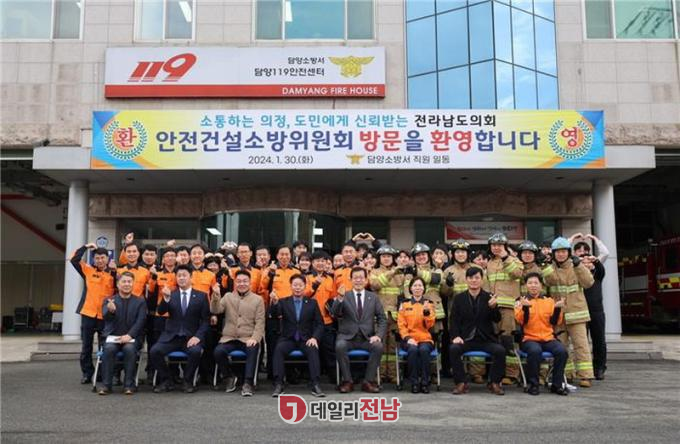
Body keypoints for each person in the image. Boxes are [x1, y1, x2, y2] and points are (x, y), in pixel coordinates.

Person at [543, 237, 595, 387]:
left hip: (576, 313)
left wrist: (579, 266)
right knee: (562, 346)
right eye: (557, 252)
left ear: (568, 252)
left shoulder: (576, 266)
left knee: (581, 345)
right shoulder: (550, 268)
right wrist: (544, 266)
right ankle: (567, 374)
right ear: (553, 253)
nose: (561, 254)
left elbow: (589, 282)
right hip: (558, 315)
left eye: (563, 251)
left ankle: (585, 376)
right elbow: (548, 282)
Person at [150, 265, 210, 393]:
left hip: (191, 337)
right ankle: (167, 380)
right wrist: (165, 299)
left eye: (184, 275)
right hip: (171, 336)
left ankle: (187, 381)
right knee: (155, 351)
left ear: (191, 277)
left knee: (195, 352)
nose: (181, 278)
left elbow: (206, 321)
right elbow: (161, 312)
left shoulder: (201, 296)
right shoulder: (171, 294)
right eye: (179, 276)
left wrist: (198, 337)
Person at [448, 267, 506, 396]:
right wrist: (456, 336)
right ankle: (461, 383)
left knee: (500, 351)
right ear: (466, 280)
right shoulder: (459, 298)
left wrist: (494, 307)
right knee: (454, 349)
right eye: (471, 278)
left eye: (477, 278)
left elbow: (497, 319)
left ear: (482, 280)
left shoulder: (489, 297)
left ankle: (494, 382)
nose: (474, 280)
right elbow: (454, 320)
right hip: (466, 339)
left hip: (485, 339)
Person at [332, 267, 387, 394]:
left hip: (366, 338)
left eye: (361, 278)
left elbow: (382, 319)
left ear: (366, 280)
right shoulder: (344, 295)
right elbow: (334, 313)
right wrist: (339, 298)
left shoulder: (373, 297)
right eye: (355, 278)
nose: (358, 280)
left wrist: (378, 335)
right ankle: (347, 381)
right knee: (340, 346)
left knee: (378, 346)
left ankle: (368, 381)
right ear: (351, 280)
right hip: (348, 338)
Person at [211, 270, 265, 397]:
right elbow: (216, 310)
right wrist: (216, 295)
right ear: (235, 283)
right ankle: (229, 376)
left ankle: (248, 382)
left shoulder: (258, 299)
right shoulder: (228, 296)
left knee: (253, 349)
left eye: (245, 281)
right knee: (218, 352)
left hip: (247, 338)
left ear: (250, 283)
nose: (242, 284)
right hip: (229, 338)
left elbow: (260, 322)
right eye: (239, 281)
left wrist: (255, 338)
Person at [270, 274, 325, 398]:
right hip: (288, 338)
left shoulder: (312, 303)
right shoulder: (283, 302)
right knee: (278, 349)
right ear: (291, 286)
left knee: (313, 349)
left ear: (305, 286)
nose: (298, 288)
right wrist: (274, 302)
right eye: (295, 285)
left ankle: (315, 384)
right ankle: (279, 384)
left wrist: (314, 338)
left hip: (306, 339)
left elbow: (320, 324)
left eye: (300, 285)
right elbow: (273, 315)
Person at [514, 273, 569, 396]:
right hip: (529, 338)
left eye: (536, 283)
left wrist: (557, 309)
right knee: (535, 351)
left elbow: (555, 322)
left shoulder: (549, 301)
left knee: (562, 351)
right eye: (530, 283)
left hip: (548, 338)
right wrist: (525, 308)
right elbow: (521, 321)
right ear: (526, 285)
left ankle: (557, 385)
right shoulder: (520, 301)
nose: (533, 285)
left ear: (541, 285)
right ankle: (533, 384)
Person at [69, 243, 115, 384]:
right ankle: (87, 373)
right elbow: (74, 260)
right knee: (86, 347)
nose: (100, 260)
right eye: (97, 258)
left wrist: (115, 271)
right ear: (93, 259)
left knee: (104, 347)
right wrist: (85, 247)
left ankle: (101, 374)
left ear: (108, 259)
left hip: (105, 316)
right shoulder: (88, 270)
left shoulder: (113, 273)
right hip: (88, 314)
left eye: (102, 258)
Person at [98, 272, 147, 395]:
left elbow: (141, 321)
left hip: (132, 338)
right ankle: (106, 385)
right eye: (124, 281)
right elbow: (106, 318)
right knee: (109, 349)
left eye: (129, 282)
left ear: (133, 284)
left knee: (129, 349)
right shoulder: (109, 300)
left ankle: (129, 385)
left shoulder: (140, 301)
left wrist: (129, 335)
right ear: (118, 284)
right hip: (113, 337)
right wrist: (111, 311)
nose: (127, 284)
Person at [486, 232, 524, 384]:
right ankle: (496, 373)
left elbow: (517, 274)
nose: (496, 248)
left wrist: (506, 258)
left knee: (508, 341)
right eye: (494, 245)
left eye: (499, 245)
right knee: (494, 341)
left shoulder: (514, 260)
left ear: (505, 246)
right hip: (493, 307)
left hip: (508, 309)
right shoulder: (489, 263)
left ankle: (511, 374)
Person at [368, 244, 404, 383]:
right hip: (380, 315)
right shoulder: (374, 272)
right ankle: (381, 374)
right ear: (379, 258)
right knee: (380, 346)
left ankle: (393, 374)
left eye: (389, 256)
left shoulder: (400, 274)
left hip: (395, 315)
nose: (386, 259)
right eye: (383, 256)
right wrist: (392, 272)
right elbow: (375, 285)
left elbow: (404, 293)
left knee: (393, 346)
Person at [574, 238, 607, 380]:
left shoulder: (598, 274)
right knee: (582, 342)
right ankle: (584, 370)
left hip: (596, 312)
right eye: (584, 262)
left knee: (599, 340)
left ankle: (599, 368)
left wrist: (596, 260)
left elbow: (604, 257)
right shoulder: (576, 274)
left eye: (589, 261)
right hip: (580, 312)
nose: (586, 263)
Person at [398, 277, 436, 393]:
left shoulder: (429, 304)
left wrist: (426, 313)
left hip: (425, 338)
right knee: (413, 350)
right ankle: (414, 383)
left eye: (420, 285)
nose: (417, 288)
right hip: (409, 339)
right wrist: (407, 338)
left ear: (424, 288)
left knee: (424, 350)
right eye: (415, 285)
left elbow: (430, 325)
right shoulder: (404, 304)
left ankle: (425, 383)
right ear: (410, 288)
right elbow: (401, 325)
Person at [305, 251, 337, 379]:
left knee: (328, 349)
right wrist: (315, 285)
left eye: (323, 261)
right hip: (310, 321)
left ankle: (333, 376)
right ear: (312, 263)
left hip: (326, 320)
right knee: (312, 349)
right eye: (317, 261)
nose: (320, 263)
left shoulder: (329, 279)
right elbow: (305, 295)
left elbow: (332, 297)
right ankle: (312, 376)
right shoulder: (307, 277)